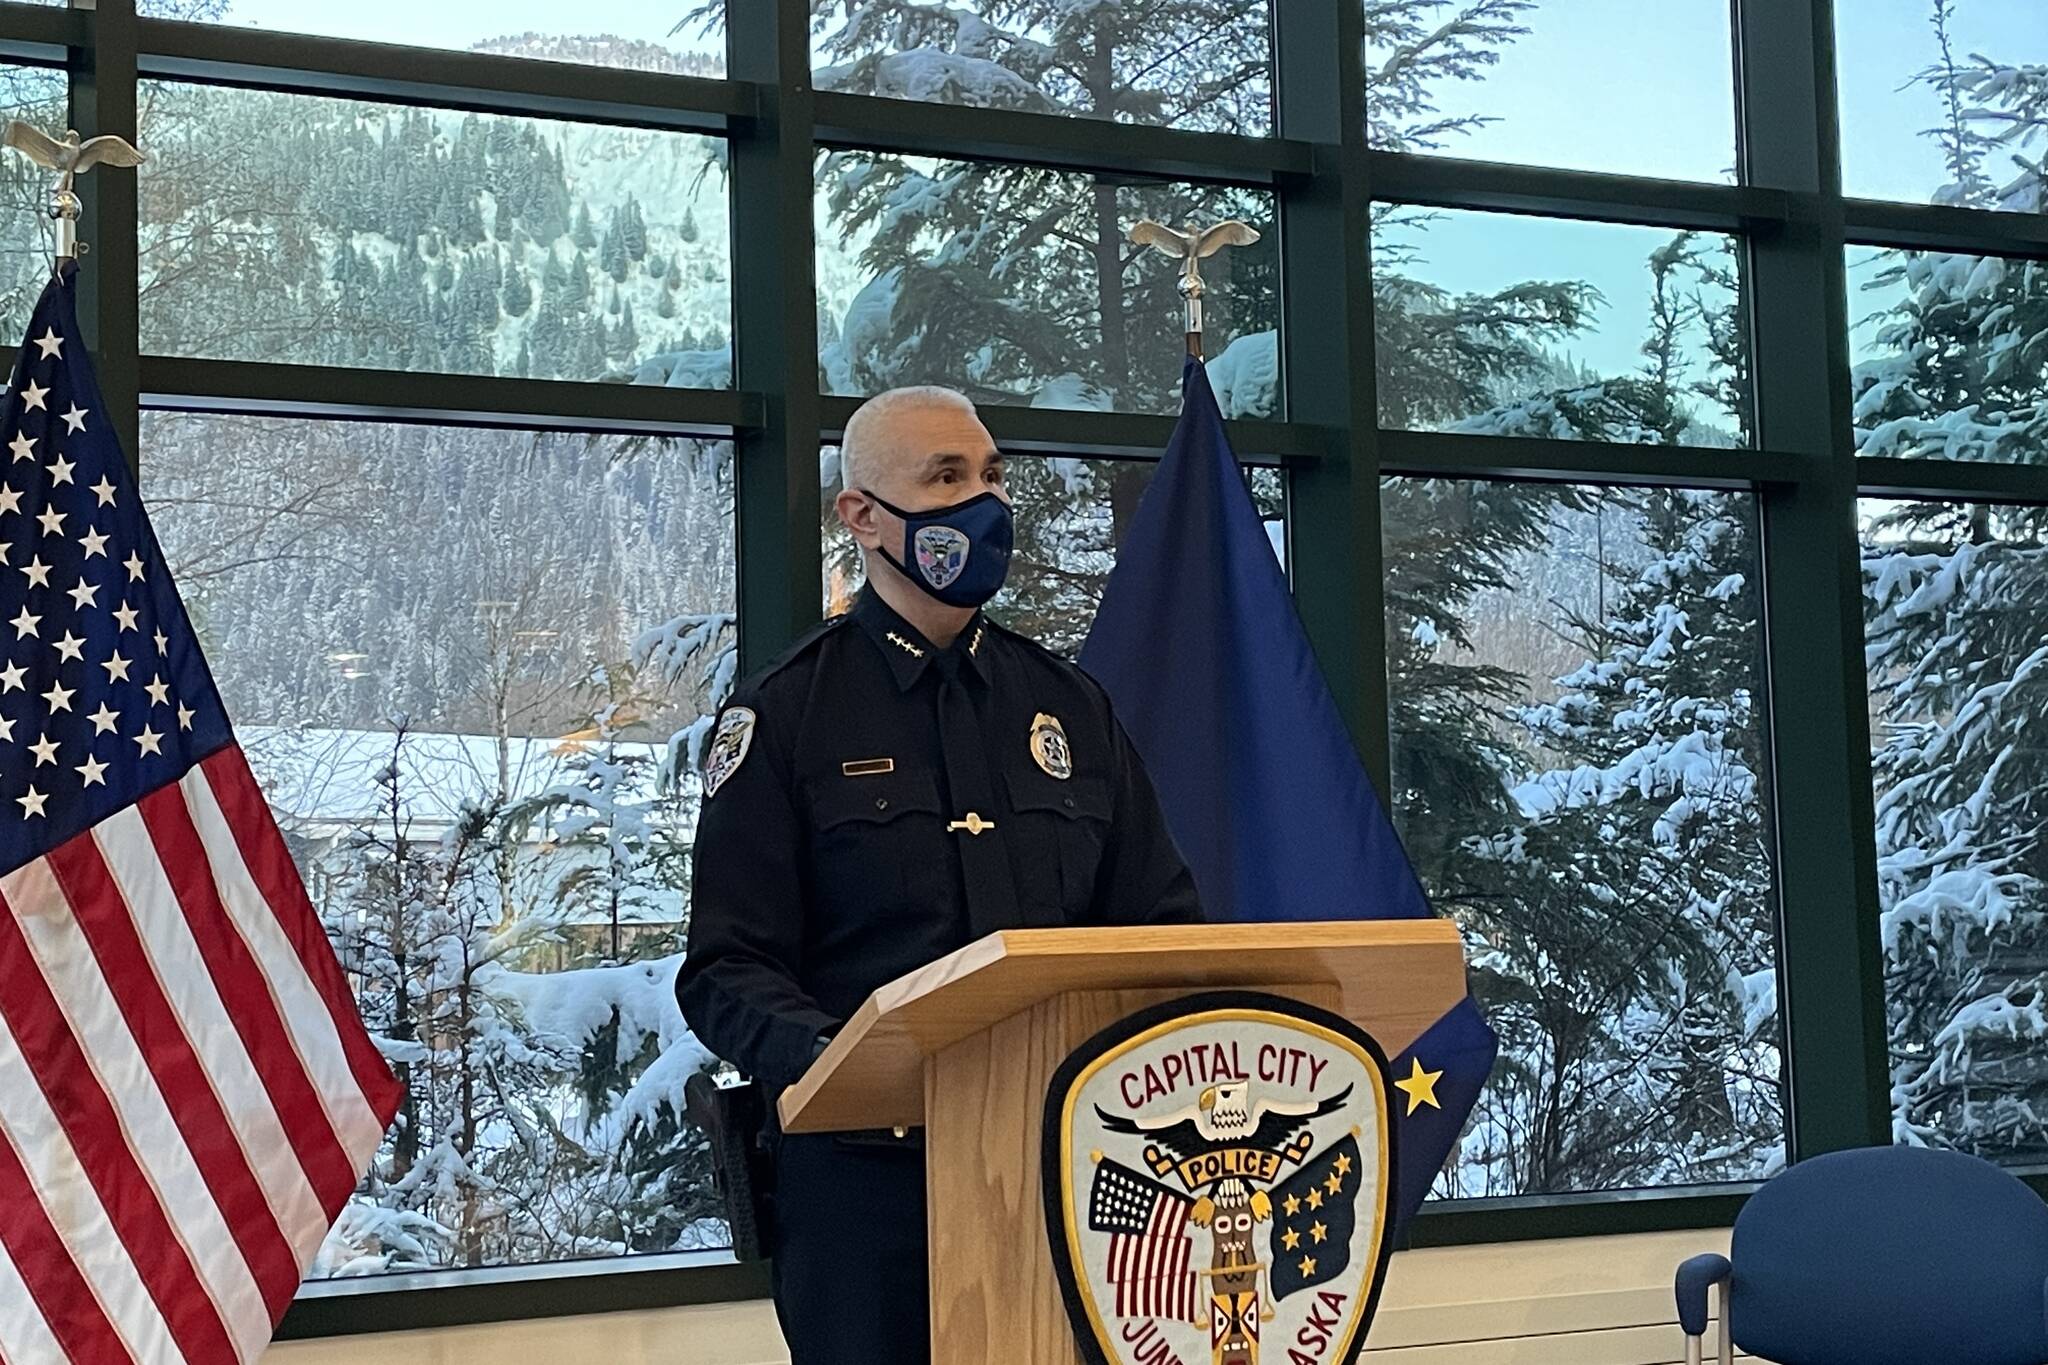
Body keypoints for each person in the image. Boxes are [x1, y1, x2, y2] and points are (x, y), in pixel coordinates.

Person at [675, 385, 1203, 1363]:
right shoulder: (785, 716)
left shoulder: (1070, 707)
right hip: (866, 1197)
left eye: (992, 475)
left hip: (1072, 1173)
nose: (983, 501)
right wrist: (847, 1057)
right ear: (863, 516)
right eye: (946, 477)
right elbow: (723, 970)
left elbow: (1162, 931)